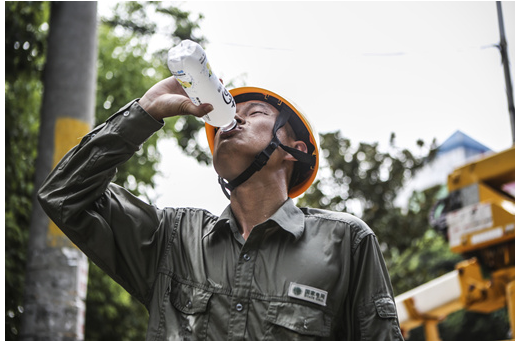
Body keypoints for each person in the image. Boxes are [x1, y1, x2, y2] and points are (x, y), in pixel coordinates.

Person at [38, 76, 404, 340]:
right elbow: (64, 194)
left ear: (297, 150)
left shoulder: (346, 242)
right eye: (230, 113)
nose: (234, 119)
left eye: (256, 111)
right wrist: (145, 112)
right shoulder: (174, 239)